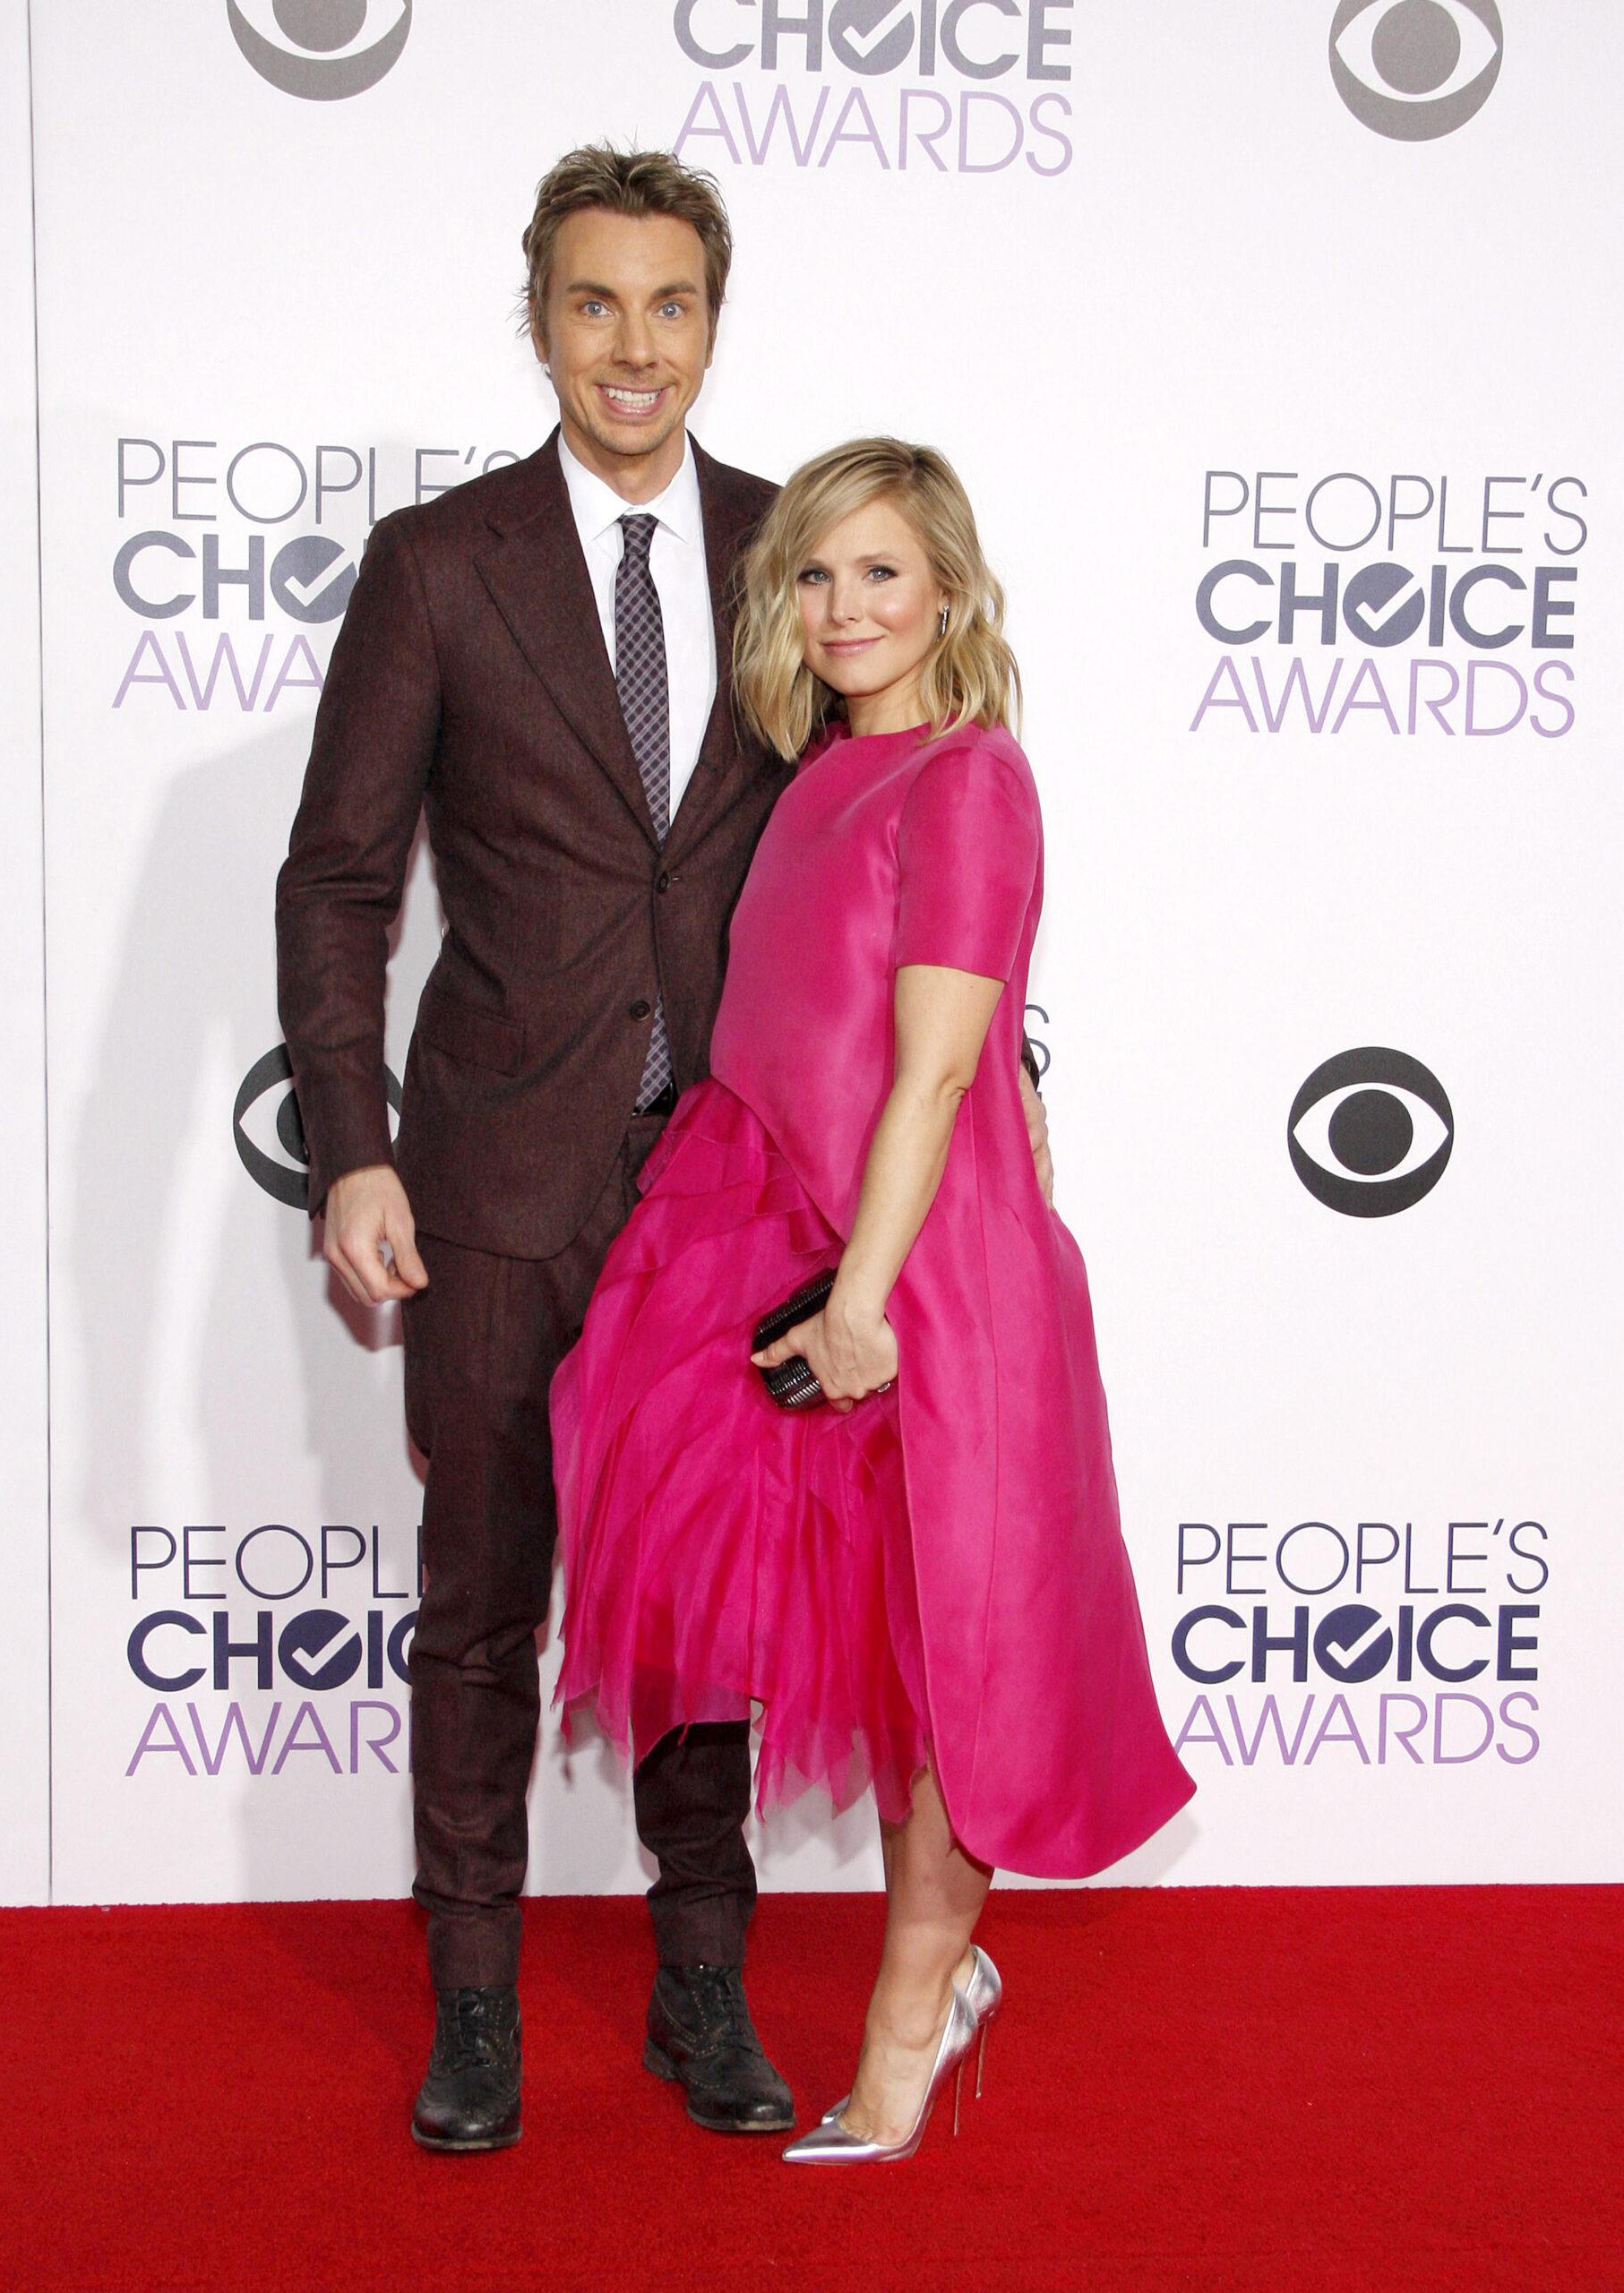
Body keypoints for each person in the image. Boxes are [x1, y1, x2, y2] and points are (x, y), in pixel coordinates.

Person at [277, 142, 1060, 2152]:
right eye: (594, 303)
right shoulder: (442, 563)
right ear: (539, 316)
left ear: (716, 321)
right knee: (480, 1598)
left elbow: (902, 876)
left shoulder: (794, 556)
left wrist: (1003, 1153)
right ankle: (469, 2003)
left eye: (672, 304)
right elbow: (340, 875)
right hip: (492, 1180)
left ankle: (699, 1983)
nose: (635, 346)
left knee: (712, 1607)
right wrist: (352, 1145)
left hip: (733, 1186)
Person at [552, 439, 1196, 2163]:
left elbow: (929, 1076)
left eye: (881, 574)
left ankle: (910, 2024)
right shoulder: (813, 779)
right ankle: (927, 1989)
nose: (844, 608)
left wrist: (865, 1298)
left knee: (952, 1675)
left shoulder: (968, 777)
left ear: (950, 593)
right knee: (870, 1653)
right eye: (815, 575)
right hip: (785, 1244)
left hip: (919, 1278)